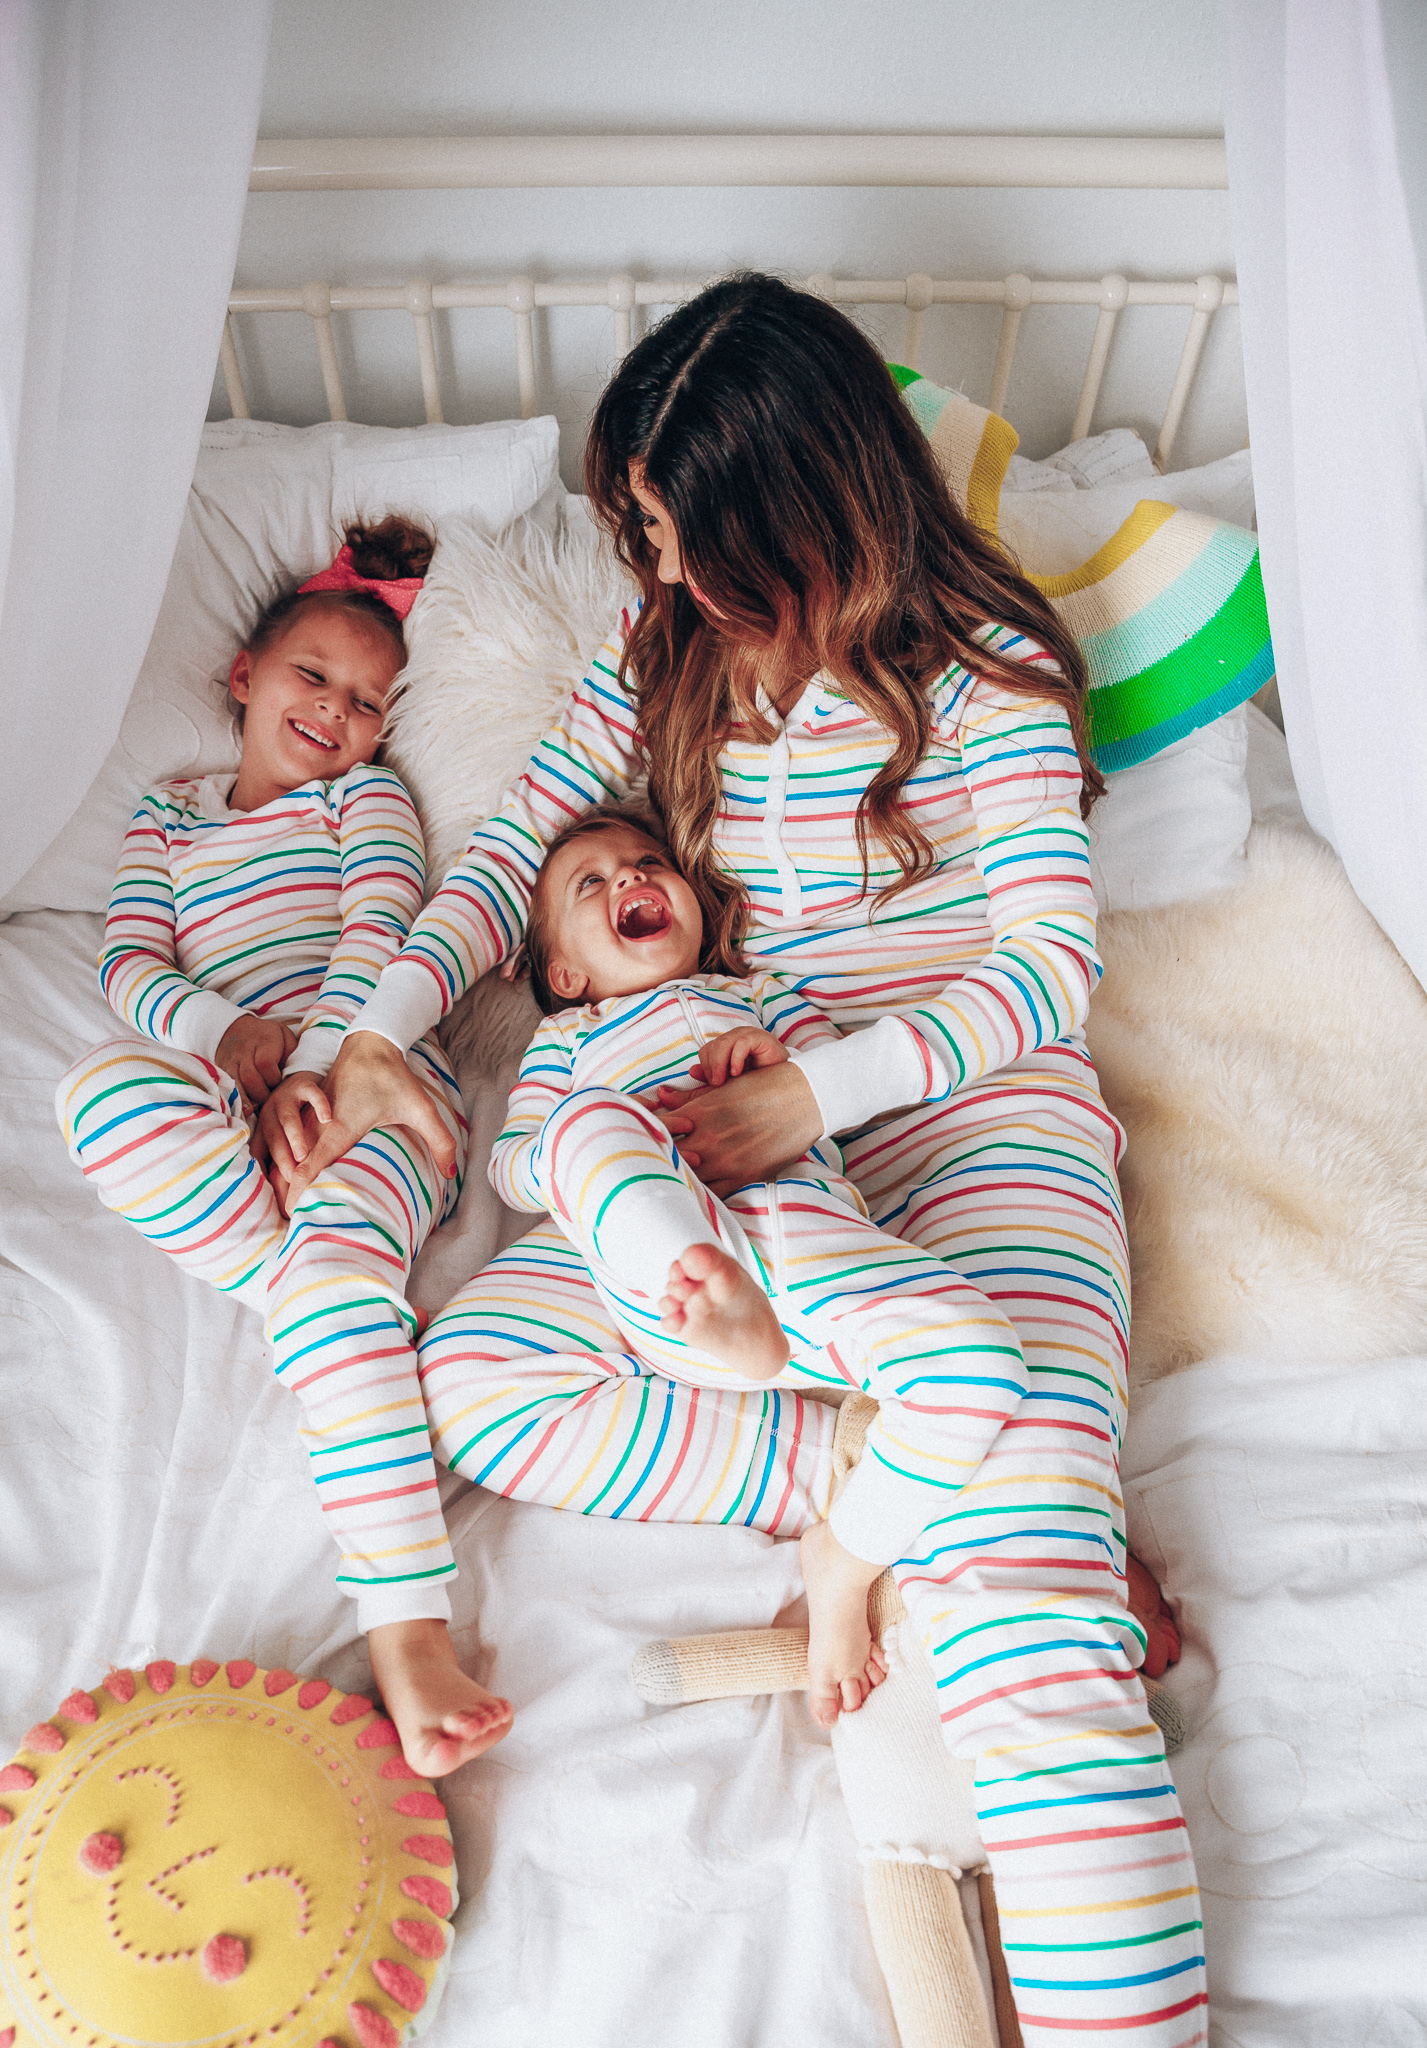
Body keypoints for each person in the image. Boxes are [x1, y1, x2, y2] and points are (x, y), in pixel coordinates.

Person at [282, 277, 1205, 2043]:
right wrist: (383, 1028)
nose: (652, 572)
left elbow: (1044, 970)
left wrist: (828, 1084)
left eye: (679, 536)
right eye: (636, 531)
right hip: (714, 1121)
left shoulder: (987, 679)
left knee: (1036, 1649)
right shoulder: (667, 662)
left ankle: (949, 1512)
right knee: (478, 1377)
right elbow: (499, 866)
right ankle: (895, 1465)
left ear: (808, 513)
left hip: (964, 1113)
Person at [55, 518, 511, 1778]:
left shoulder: (364, 798)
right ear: (243, 677)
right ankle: (324, 1297)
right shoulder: (168, 818)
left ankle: (409, 1629)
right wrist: (236, 1042)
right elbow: (127, 966)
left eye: (368, 699)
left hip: (378, 1082)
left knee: (329, 1250)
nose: (338, 710)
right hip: (241, 1098)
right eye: (313, 675)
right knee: (98, 1095)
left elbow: (382, 928)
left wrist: (317, 1064)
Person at [495, 801, 1033, 1718]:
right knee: (582, 1125)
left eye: (647, 861)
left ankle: (847, 1552)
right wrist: (597, 1132)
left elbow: (837, 1092)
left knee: (984, 1364)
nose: (631, 877)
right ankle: (715, 1293)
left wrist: (777, 1062)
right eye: (593, 883)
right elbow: (514, 1170)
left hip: (798, 1244)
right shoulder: (566, 1042)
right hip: (664, 1290)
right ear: (565, 970)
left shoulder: (760, 994)